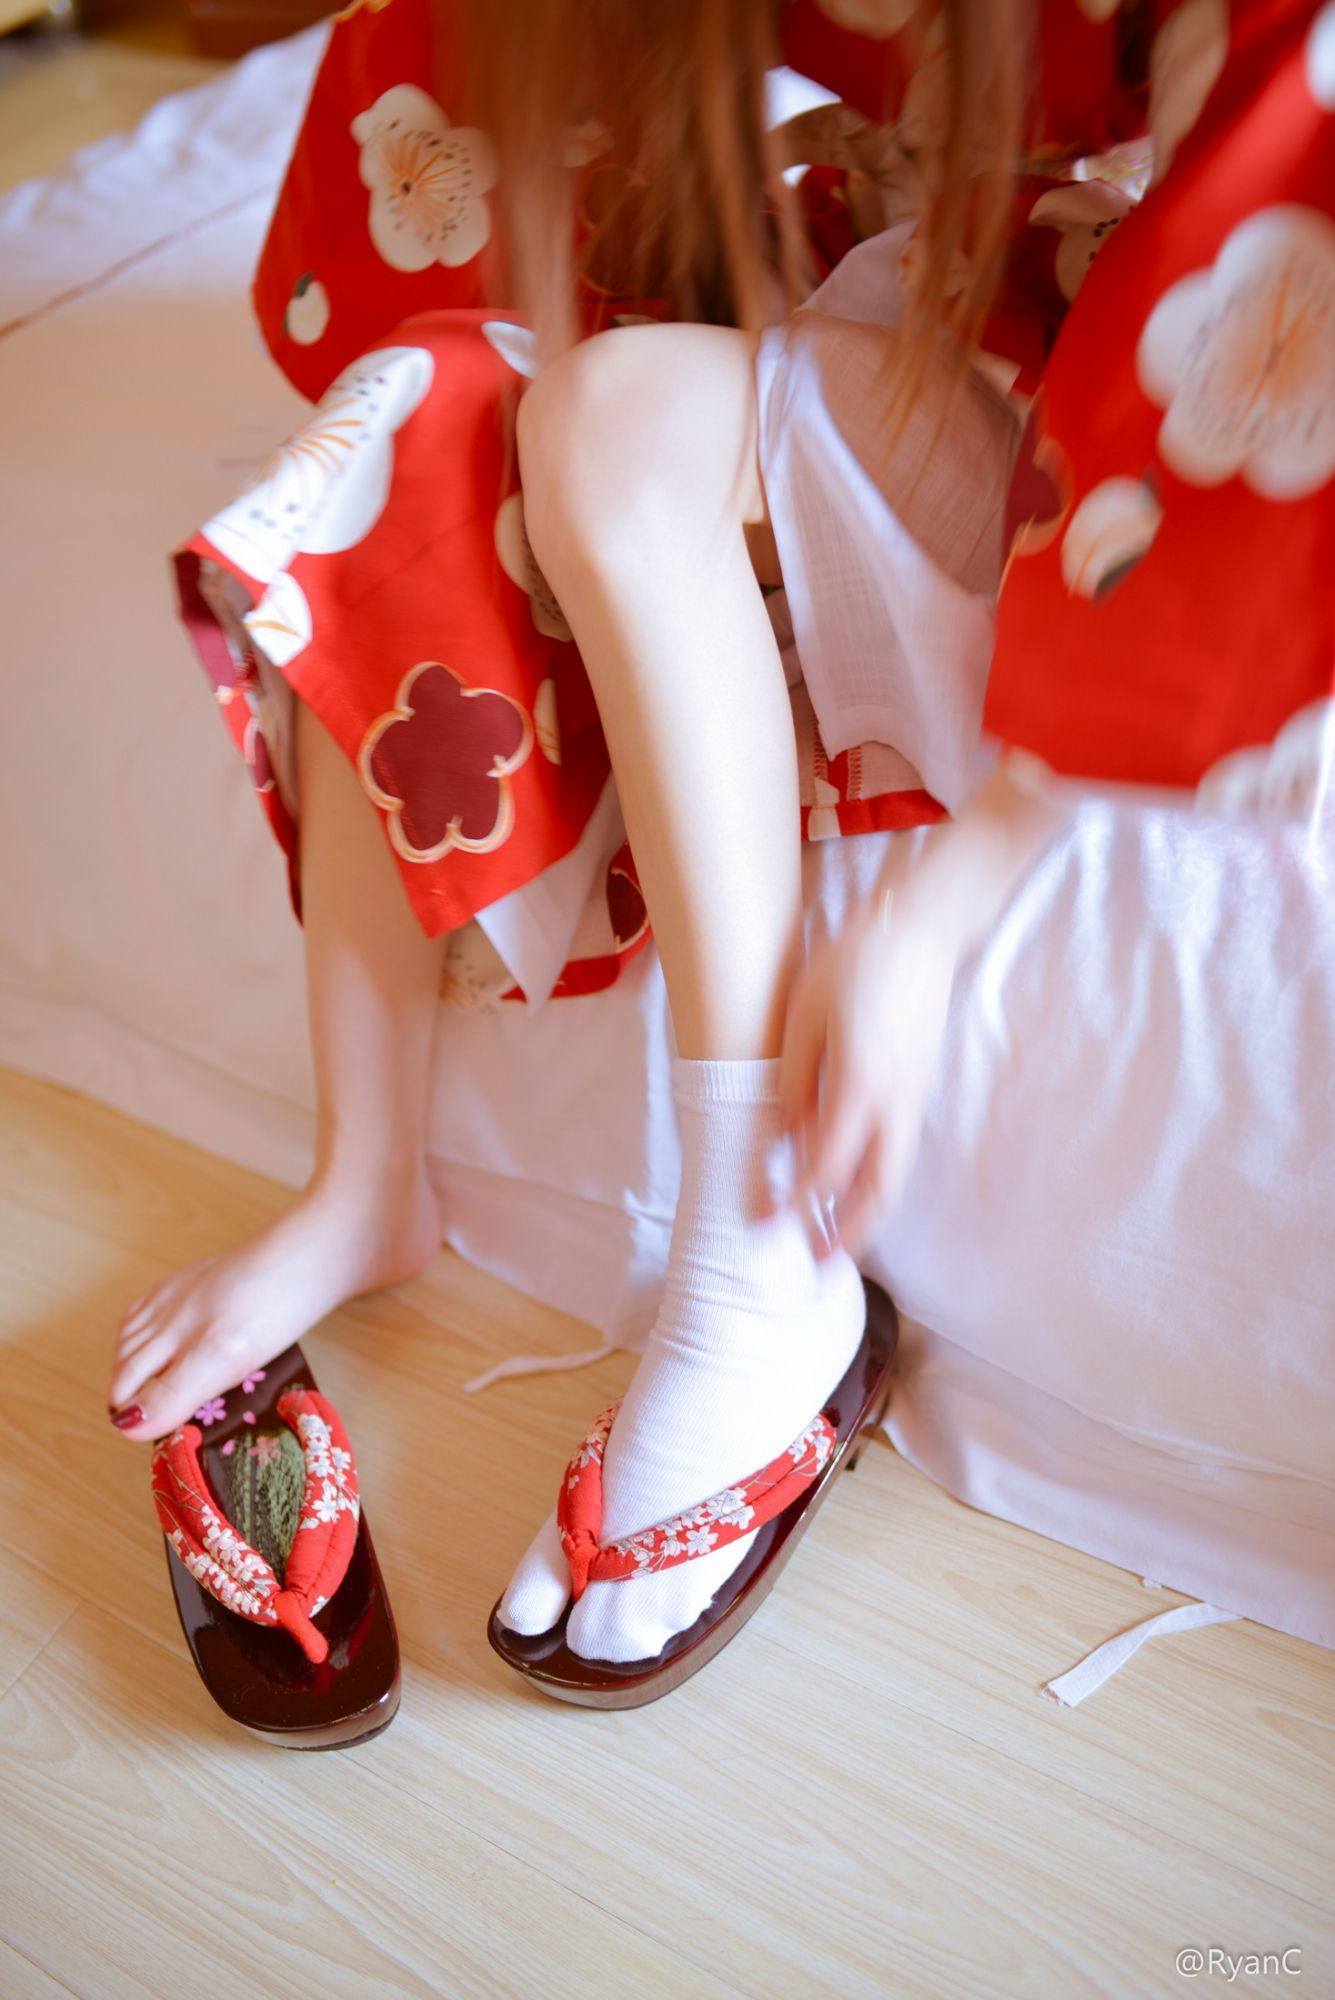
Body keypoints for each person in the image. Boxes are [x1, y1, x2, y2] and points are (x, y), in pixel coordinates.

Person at [114, 0, 1332, 1677]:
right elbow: (441, 167)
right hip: (914, 275)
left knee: (615, 420)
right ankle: (365, 1179)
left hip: (1180, 366)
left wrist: (940, 907)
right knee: (432, 409)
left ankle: (755, 1256)